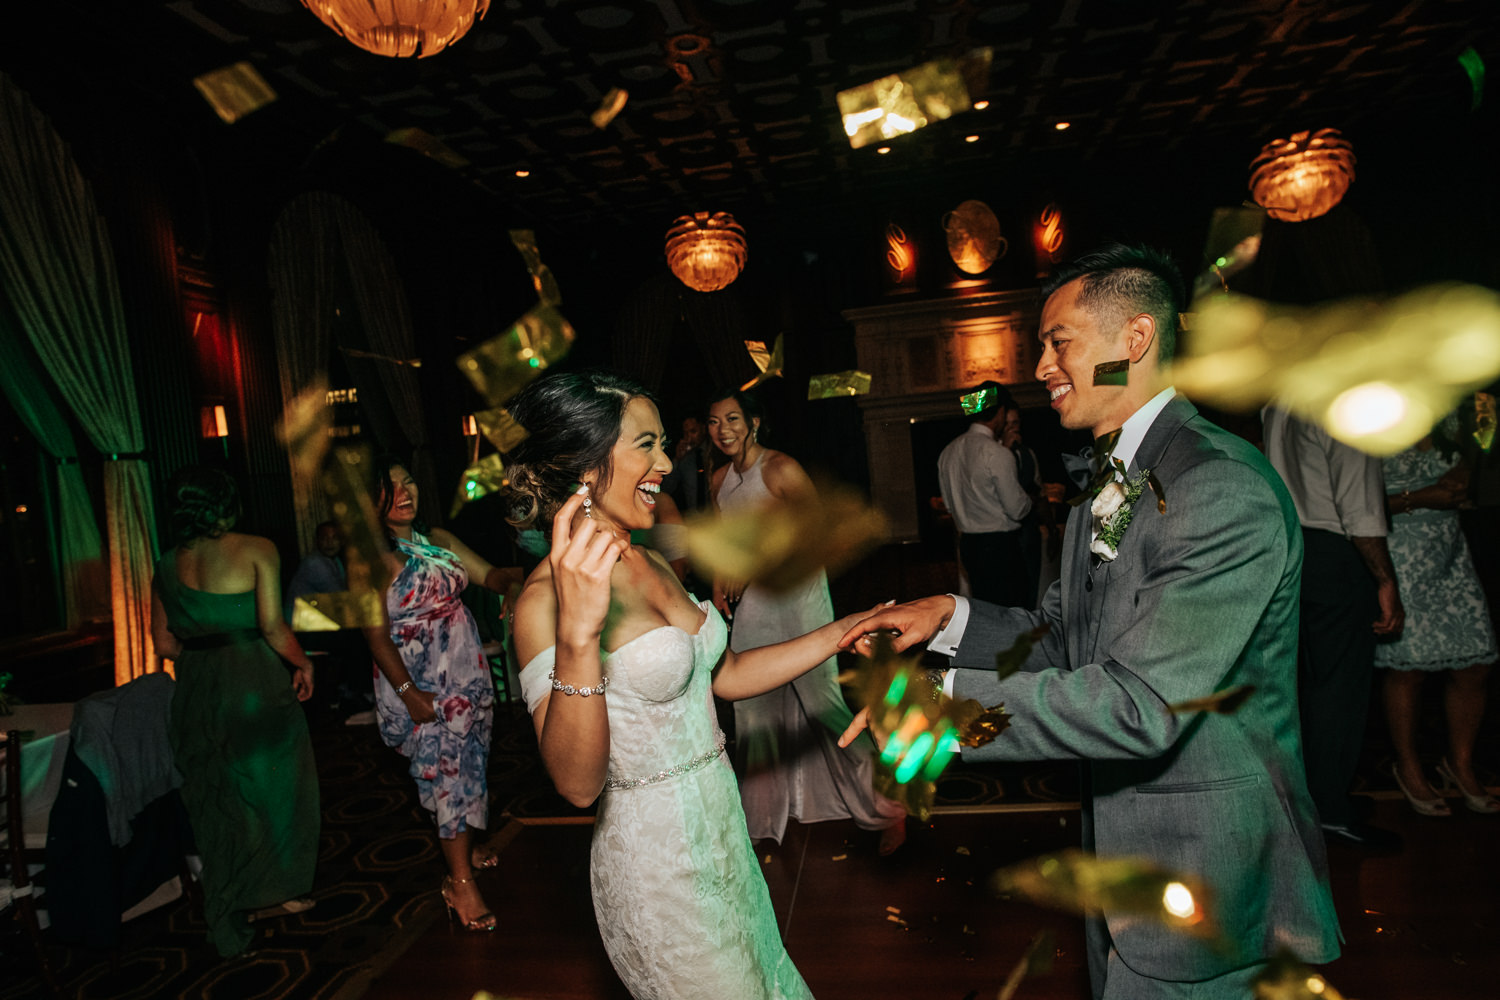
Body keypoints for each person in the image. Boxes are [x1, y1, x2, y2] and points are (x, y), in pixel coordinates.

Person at [839, 245, 1340, 997]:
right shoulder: (1110, 476)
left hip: (1206, 867)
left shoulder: (1217, 485)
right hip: (1123, 846)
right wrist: (949, 613)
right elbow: (1066, 636)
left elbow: (1142, 705)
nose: (1041, 366)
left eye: (1057, 342)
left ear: (1135, 339)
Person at [505, 370, 886, 1000]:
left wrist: (840, 631)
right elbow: (576, 785)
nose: (665, 462)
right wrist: (577, 638)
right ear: (586, 467)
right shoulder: (544, 601)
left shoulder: (649, 557)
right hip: (657, 871)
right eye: (646, 445)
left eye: (662, 444)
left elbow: (725, 675)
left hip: (724, 835)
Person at [706, 387, 906, 852]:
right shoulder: (718, 480)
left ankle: (887, 809)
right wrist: (719, 583)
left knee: (822, 706)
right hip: (756, 602)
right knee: (753, 707)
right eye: (714, 422)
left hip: (798, 598)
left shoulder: (780, 469)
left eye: (732, 419)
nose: (723, 430)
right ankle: (762, 820)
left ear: (754, 423)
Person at [149, 465, 319, 957]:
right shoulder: (258, 548)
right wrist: (303, 663)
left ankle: (239, 897)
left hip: (197, 690)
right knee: (277, 787)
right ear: (227, 502)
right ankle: (274, 890)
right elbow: (272, 626)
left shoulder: (165, 563)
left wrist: (205, 654)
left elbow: (164, 644)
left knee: (219, 798)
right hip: (252, 682)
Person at [362, 455, 517, 932]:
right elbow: (375, 636)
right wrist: (410, 694)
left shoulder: (440, 540)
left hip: (466, 672)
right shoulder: (370, 558)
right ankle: (460, 883)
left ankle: (465, 850)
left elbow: (491, 575)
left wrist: (513, 587)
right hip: (421, 681)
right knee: (447, 775)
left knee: (470, 763)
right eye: (390, 486)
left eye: (408, 480)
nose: (404, 491)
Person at [1262, 406, 1405, 848]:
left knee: (1307, 685)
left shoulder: (1281, 399)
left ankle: (1312, 799)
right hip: (1335, 554)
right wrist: (1385, 580)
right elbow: (1359, 508)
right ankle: (1330, 810)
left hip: (1290, 544)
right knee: (1339, 690)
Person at [1375, 424, 1498, 815]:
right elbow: (1347, 505)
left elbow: (1480, 440)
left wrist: (1466, 470)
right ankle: (1408, 765)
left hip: (1450, 555)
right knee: (1409, 669)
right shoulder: (1367, 417)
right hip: (1398, 554)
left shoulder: (1447, 413)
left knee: (1476, 662)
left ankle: (1458, 763)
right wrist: (1419, 497)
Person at [937, 381, 1034, 606]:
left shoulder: (948, 451)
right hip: (1001, 549)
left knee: (985, 610)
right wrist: (1030, 499)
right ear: (1000, 412)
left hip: (968, 546)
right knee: (1013, 612)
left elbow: (949, 506)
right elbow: (1017, 509)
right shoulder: (997, 453)